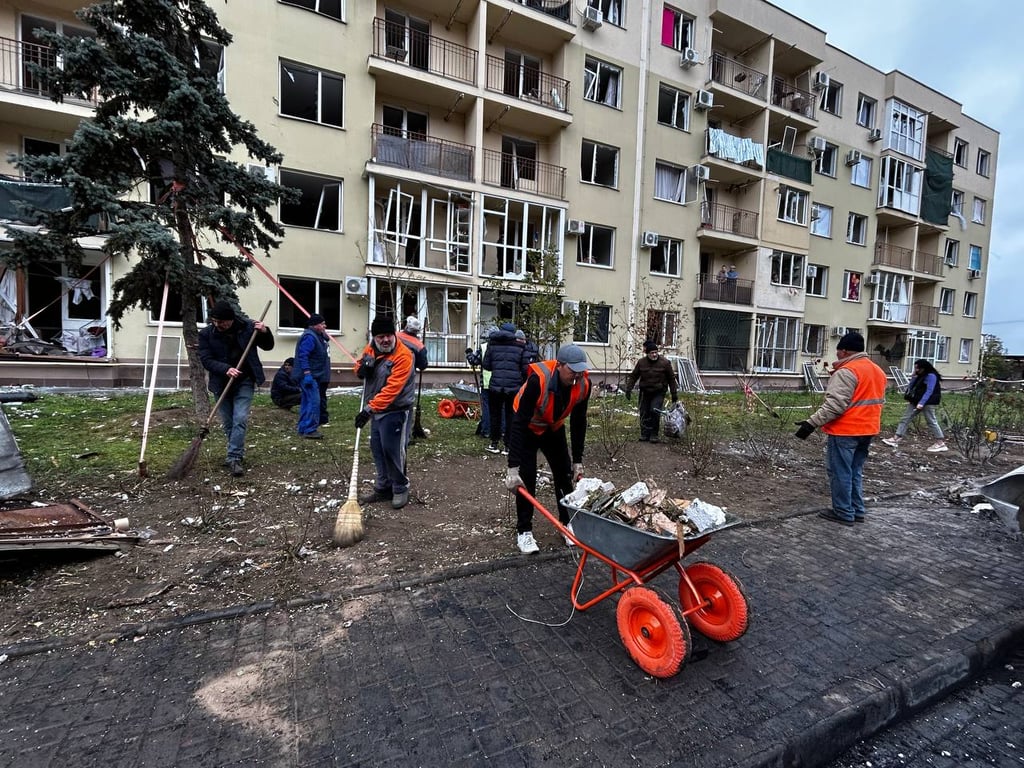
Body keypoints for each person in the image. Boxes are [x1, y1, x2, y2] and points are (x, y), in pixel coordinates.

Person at [504, 344, 591, 554]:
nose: (576, 376)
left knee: (563, 473)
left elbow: (579, 422)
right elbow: (518, 423)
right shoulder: (538, 381)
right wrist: (512, 469)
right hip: (527, 427)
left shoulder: (582, 385)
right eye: (572, 371)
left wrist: (577, 460)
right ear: (559, 366)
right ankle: (524, 531)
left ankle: (565, 523)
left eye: (580, 371)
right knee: (527, 478)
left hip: (553, 427)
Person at [794, 331, 887, 526]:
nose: (836, 355)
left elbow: (834, 406)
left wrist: (810, 423)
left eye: (838, 351)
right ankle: (857, 510)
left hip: (846, 430)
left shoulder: (847, 371)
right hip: (868, 429)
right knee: (855, 471)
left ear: (844, 351)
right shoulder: (877, 370)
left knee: (840, 472)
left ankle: (844, 512)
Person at [198, 299, 275, 477]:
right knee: (228, 423)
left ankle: (233, 457)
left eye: (222, 322)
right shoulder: (207, 334)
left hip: (244, 380)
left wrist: (264, 331)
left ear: (231, 319)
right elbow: (206, 359)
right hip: (221, 383)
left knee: (239, 418)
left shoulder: (247, 327)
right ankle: (236, 451)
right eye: (215, 322)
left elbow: (268, 346)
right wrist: (226, 369)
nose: (218, 325)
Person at [353, 315, 416, 510]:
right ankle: (383, 487)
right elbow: (359, 365)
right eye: (381, 336)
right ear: (375, 337)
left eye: (389, 335)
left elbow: (392, 390)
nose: (385, 340)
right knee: (378, 449)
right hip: (377, 410)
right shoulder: (371, 348)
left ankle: (400, 487)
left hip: (396, 410)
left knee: (393, 449)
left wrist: (368, 410)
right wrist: (362, 369)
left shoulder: (404, 355)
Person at [883, 359, 947, 452]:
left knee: (931, 421)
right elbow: (911, 386)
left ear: (923, 368)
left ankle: (940, 443)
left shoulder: (931, 376)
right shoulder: (920, 375)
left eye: (917, 368)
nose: (916, 370)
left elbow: (929, 390)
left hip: (928, 402)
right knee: (906, 418)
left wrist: (922, 403)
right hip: (915, 401)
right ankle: (896, 438)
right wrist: (914, 376)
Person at [482, 322, 526, 455]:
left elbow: (486, 365)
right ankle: (508, 446)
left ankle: (494, 444)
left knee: (495, 415)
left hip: (495, 386)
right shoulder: (520, 346)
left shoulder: (492, 344)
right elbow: (524, 367)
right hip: (513, 387)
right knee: (511, 415)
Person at [624, 340, 678, 443]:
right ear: (647, 354)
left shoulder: (665, 363)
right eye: (651, 353)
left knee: (654, 410)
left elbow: (671, 378)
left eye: (655, 352)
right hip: (645, 391)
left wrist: (674, 393)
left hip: (658, 391)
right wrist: (628, 389)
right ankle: (644, 434)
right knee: (644, 412)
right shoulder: (641, 362)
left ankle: (654, 434)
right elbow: (634, 376)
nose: (654, 355)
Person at [294, 313, 330, 439]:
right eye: (322, 324)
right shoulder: (309, 337)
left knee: (306, 401)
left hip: (314, 374)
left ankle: (303, 427)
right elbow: (303, 355)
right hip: (309, 376)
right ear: (315, 325)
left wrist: (324, 336)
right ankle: (309, 429)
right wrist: (307, 373)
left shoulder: (316, 335)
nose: (325, 326)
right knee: (314, 402)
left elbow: (323, 343)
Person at [397, 315, 429, 446]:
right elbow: (423, 365)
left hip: (389, 377)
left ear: (405, 326)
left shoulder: (395, 336)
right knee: (406, 408)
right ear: (417, 331)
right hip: (406, 381)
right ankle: (405, 438)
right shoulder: (418, 345)